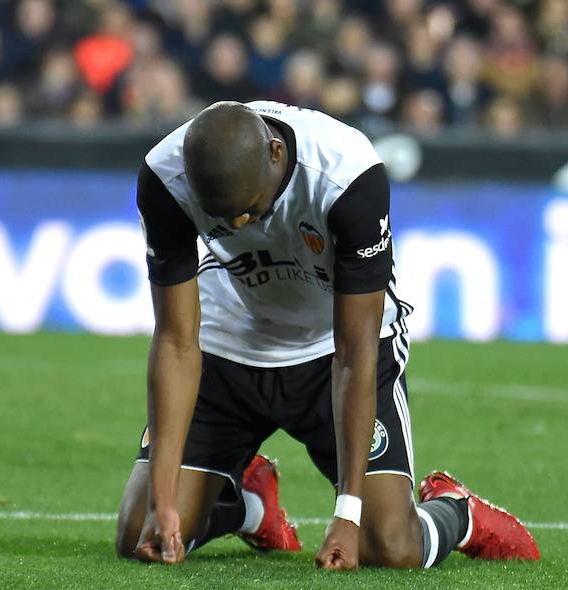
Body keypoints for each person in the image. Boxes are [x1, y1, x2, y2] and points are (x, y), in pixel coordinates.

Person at [115, 100, 540, 570]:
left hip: (331, 351)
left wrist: (348, 513)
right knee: (140, 533)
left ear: (276, 153)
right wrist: (162, 501)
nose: (240, 227)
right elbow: (176, 341)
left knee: (391, 548)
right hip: (227, 344)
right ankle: (249, 507)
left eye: (250, 210)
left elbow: (356, 353)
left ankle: (457, 512)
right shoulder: (166, 178)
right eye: (225, 218)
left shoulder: (347, 174)